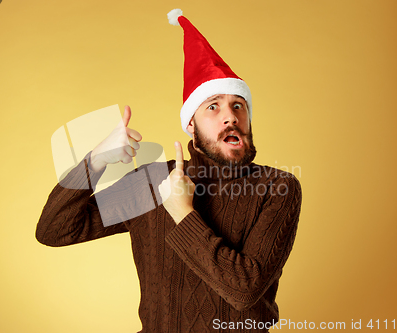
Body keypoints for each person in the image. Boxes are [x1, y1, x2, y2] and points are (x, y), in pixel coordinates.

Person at [36, 9, 302, 333]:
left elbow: (243, 291)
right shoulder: (151, 183)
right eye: (213, 106)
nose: (230, 117)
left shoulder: (277, 186)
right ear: (191, 124)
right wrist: (95, 162)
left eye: (238, 105)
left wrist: (183, 213)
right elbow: (54, 230)